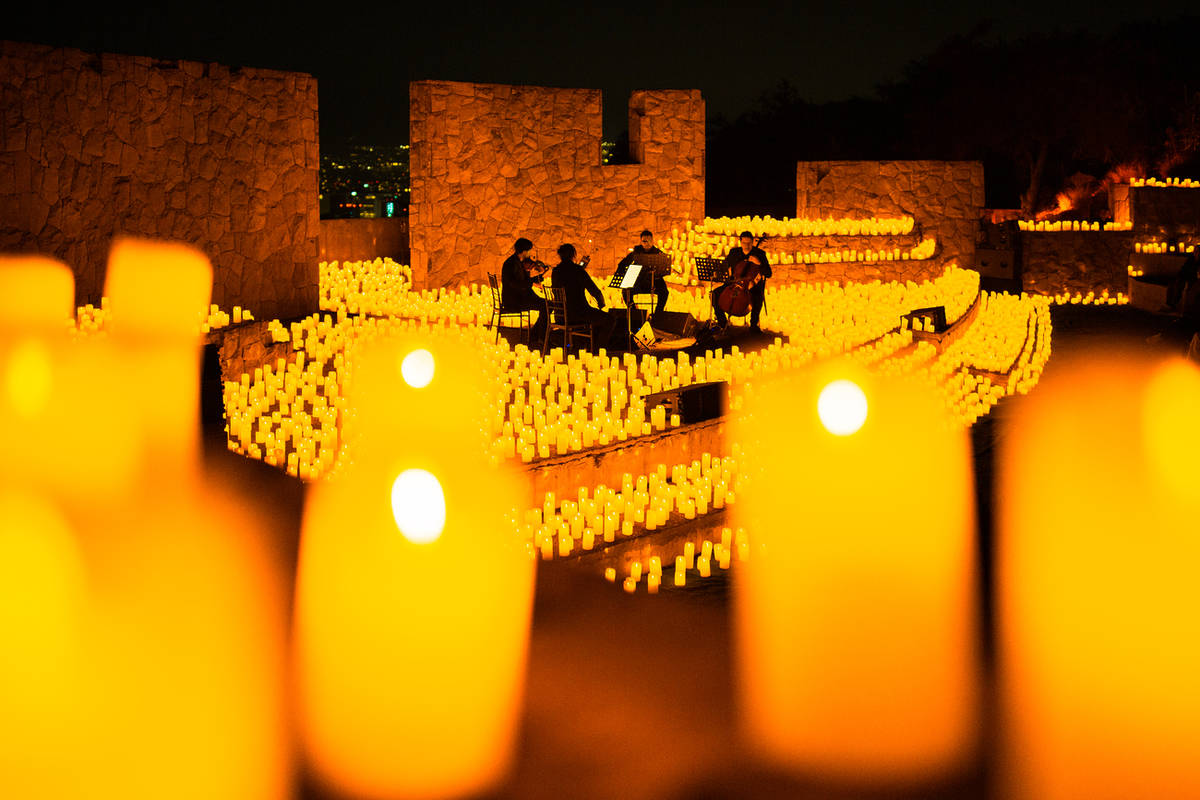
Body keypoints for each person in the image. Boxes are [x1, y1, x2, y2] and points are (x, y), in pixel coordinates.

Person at [550, 243, 618, 350]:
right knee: (609, 319)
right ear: (573, 255)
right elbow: (594, 291)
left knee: (596, 318)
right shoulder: (578, 270)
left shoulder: (555, 271)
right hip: (579, 313)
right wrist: (601, 303)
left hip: (560, 315)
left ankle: (587, 345)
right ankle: (597, 349)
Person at [712, 230, 771, 333]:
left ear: (753, 242)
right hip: (734, 283)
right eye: (744, 243)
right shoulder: (734, 252)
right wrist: (720, 272)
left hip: (752, 286)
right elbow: (725, 267)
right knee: (715, 294)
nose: (746, 246)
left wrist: (758, 263)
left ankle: (754, 326)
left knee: (758, 296)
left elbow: (768, 273)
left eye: (749, 243)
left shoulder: (760, 254)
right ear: (740, 242)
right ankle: (722, 322)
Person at [500, 237, 549, 344]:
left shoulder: (516, 262)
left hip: (519, 297)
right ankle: (539, 337)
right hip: (514, 301)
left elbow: (522, 282)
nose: (530, 253)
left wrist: (536, 278)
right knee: (547, 306)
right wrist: (531, 282)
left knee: (547, 304)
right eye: (529, 250)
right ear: (524, 251)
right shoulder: (512, 264)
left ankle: (535, 335)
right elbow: (515, 284)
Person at [617, 229, 670, 316]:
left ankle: (657, 314)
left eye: (649, 241)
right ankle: (635, 314)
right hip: (640, 282)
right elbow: (622, 264)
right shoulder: (636, 252)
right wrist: (624, 273)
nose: (647, 243)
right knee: (625, 292)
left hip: (655, 282)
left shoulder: (658, 253)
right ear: (641, 242)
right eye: (645, 241)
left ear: (652, 241)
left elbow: (664, 267)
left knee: (664, 293)